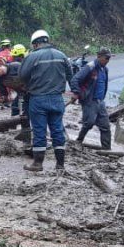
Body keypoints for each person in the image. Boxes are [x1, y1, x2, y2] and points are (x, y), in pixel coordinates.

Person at [20, 29, 72, 172]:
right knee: (57, 130)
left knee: (39, 131)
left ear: (35, 44)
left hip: (38, 99)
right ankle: (60, 164)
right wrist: (75, 92)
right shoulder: (61, 55)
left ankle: (38, 163)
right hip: (57, 99)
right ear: (47, 40)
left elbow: (22, 75)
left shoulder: (32, 57)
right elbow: (70, 75)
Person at [71, 47, 113, 150]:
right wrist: (76, 93)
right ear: (99, 57)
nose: (108, 60)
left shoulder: (105, 69)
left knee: (105, 126)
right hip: (89, 100)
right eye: (106, 58)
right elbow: (75, 79)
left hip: (100, 101)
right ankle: (79, 141)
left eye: (109, 58)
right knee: (88, 123)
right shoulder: (90, 67)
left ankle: (107, 149)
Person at [0, 39, 14, 106]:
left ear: (3, 46)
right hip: (10, 73)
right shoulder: (12, 53)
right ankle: (10, 101)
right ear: (9, 46)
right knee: (10, 87)